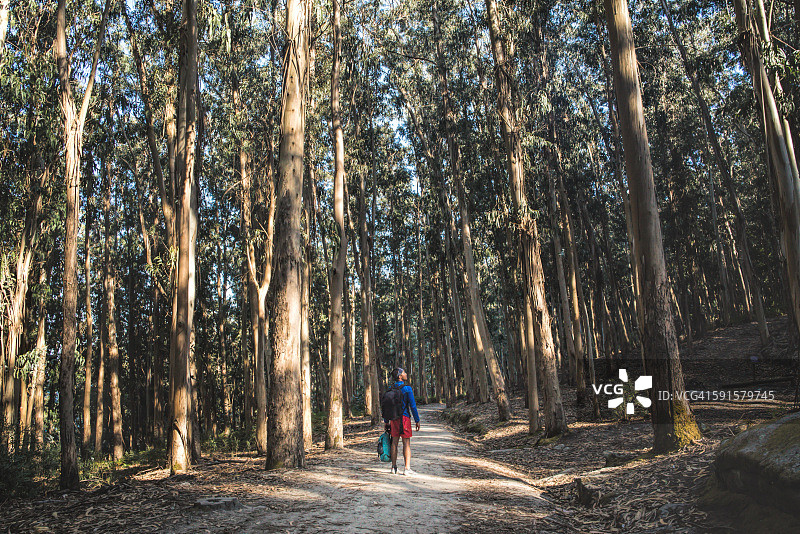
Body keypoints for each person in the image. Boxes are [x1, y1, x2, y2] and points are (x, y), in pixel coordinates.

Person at [384, 368, 420, 475]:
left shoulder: (390, 389)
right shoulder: (407, 389)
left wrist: (386, 421)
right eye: (404, 372)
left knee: (394, 443)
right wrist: (417, 420)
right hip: (404, 419)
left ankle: (394, 467)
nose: (406, 374)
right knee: (406, 443)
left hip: (393, 419)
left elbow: (386, 406)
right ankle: (407, 469)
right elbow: (413, 406)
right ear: (400, 376)